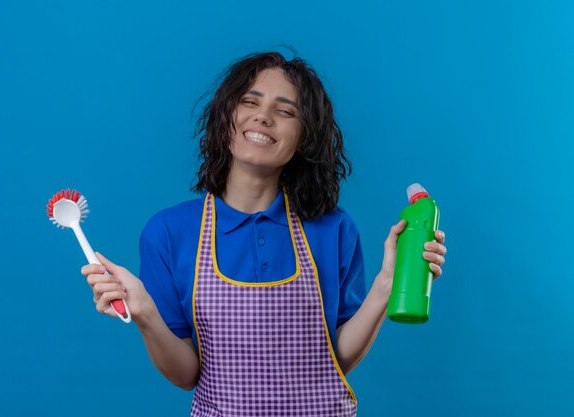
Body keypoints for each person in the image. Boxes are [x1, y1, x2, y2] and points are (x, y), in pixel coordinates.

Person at [80, 52, 447, 416]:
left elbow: (335, 360)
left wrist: (388, 283)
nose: (263, 116)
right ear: (225, 119)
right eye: (249, 101)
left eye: (285, 111)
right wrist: (144, 311)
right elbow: (186, 374)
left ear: (304, 137)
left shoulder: (333, 229)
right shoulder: (169, 232)